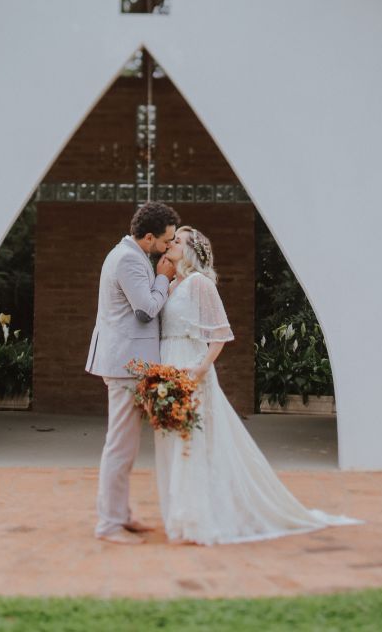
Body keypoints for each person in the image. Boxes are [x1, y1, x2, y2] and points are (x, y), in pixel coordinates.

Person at [154, 226, 361, 545]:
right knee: (173, 441)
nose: (171, 244)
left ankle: (199, 519)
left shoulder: (199, 284)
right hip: (168, 365)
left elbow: (219, 334)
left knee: (192, 441)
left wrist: (200, 369)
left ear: (192, 252)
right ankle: (181, 515)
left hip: (191, 368)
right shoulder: (170, 285)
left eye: (177, 241)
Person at [86, 200, 180, 545]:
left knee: (126, 445)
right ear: (149, 237)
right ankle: (108, 524)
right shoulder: (128, 259)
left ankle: (121, 515)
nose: (169, 247)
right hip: (126, 364)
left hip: (127, 361)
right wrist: (163, 277)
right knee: (120, 446)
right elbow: (147, 308)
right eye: (166, 241)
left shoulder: (130, 254)